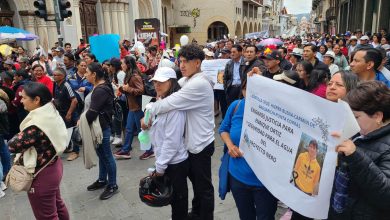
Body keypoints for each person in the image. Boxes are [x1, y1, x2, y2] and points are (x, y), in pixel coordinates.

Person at [143, 44, 215, 220]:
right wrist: (151, 108)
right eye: (180, 61)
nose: (181, 65)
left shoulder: (198, 83)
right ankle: (197, 213)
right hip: (191, 144)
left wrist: (148, 113)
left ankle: (204, 216)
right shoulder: (187, 80)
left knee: (203, 188)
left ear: (197, 63)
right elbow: (167, 92)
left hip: (200, 145)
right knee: (196, 186)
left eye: (186, 62)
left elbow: (167, 102)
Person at [328, 81, 390, 220]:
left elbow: (386, 195)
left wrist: (355, 156)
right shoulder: (359, 133)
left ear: (378, 116)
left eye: (355, 117)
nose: (350, 122)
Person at [8, 82, 69, 219]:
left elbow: (12, 145)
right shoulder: (50, 110)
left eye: (24, 98)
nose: (21, 100)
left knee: (47, 216)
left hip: (42, 174)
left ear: (37, 100)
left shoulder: (36, 124)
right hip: (54, 166)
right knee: (57, 205)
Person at [219, 79, 277, 219]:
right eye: (246, 89)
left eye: (255, 90)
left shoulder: (274, 112)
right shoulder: (236, 106)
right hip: (238, 177)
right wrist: (230, 145)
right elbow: (224, 129)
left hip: (265, 183)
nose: (250, 93)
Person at [148, 67, 189, 220]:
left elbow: (171, 141)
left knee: (179, 203)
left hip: (175, 163)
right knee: (174, 201)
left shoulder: (174, 109)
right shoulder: (162, 101)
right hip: (166, 161)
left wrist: (160, 167)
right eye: (155, 82)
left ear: (171, 83)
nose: (157, 85)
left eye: (161, 82)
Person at [84, 62, 118, 200]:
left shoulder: (100, 90)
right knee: (102, 156)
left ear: (94, 74)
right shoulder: (100, 86)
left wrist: (82, 120)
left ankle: (113, 184)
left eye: (87, 72)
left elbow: (92, 112)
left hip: (101, 128)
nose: (85, 75)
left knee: (107, 156)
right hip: (100, 127)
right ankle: (102, 180)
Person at [115, 56, 144, 159]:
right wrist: (122, 89)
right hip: (132, 106)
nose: (121, 65)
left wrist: (128, 88)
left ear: (128, 65)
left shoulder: (134, 76)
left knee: (142, 130)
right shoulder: (129, 75)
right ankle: (126, 149)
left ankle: (150, 149)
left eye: (123, 63)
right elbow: (129, 90)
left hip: (137, 106)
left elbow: (140, 90)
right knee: (129, 129)